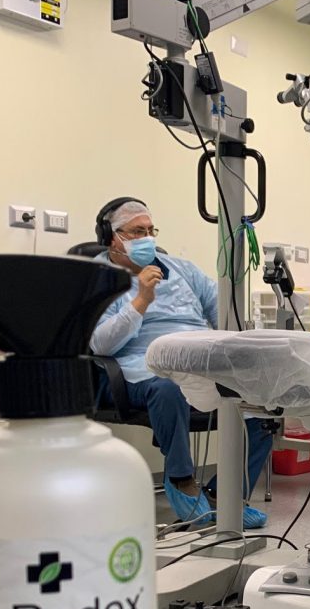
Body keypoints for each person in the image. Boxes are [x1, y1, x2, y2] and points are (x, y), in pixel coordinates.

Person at [91, 199, 272, 529]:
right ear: (111, 237)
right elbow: (100, 344)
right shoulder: (97, 279)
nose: (147, 238)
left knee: (262, 407)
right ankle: (181, 480)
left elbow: (223, 313)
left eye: (150, 230)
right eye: (136, 232)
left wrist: (239, 345)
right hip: (141, 369)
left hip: (197, 362)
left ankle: (225, 494)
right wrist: (140, 302)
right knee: (168, 388)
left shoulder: (183, 270)